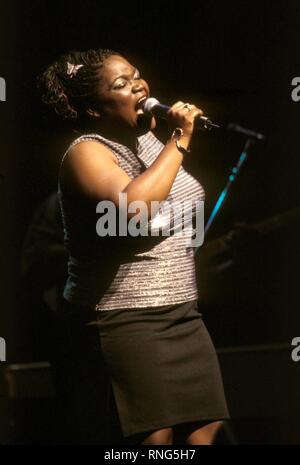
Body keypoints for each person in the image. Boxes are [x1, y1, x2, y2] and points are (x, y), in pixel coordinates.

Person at [37, 48, 229, 445]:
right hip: (125, 319)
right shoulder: (87, 152)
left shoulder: (148, 141)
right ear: (93, 109)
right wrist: (180, 138)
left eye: (136, 75)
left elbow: (174, 211)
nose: (138, 85)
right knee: (152, 440)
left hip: (183, 313)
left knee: (205, 431)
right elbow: (135, 209)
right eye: (121, 84)